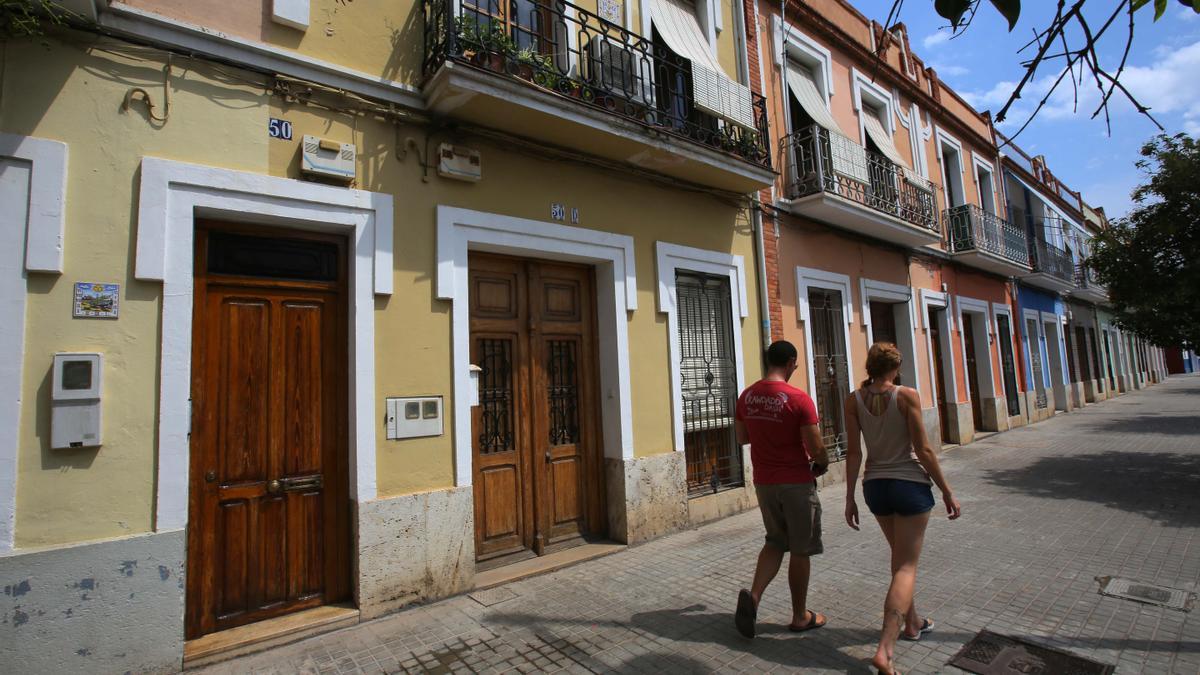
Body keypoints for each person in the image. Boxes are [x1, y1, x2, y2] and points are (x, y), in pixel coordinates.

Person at [843, 343, 962, 675]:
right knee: (905, 568)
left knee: (899, 561)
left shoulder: (853, 399)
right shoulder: (907, 395)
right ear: (894, 368)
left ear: (870, 366)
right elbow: (923, 448)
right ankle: (885, 650)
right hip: (909, 486)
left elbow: (853, 453)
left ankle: (913, 624)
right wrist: (947, 490)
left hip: (875, 488)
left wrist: (850, 497)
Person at [733, 340, 831, 639]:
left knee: (775, 541)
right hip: (796, 484)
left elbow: (741, 438)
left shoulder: (746, 396)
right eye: (796, 364)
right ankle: (800, 616)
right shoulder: (798, 399)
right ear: (790, 362)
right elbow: (816, 447)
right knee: (800, 549)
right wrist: (823, 463)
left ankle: (754, 597)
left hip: (765, 483)